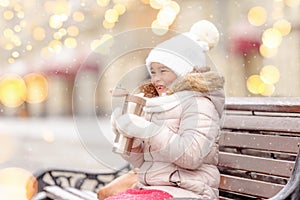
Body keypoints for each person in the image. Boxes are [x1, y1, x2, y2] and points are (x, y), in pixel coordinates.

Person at [109, 20, 225, 199]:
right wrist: (129, 137)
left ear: (183, 72)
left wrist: (149, 130)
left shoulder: (200, 104)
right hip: (154, 189)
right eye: (153, 72)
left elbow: (191, 157)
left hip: (189, 191)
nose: (156, 79)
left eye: (163, 71)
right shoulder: (156, 104)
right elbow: (143, 162)